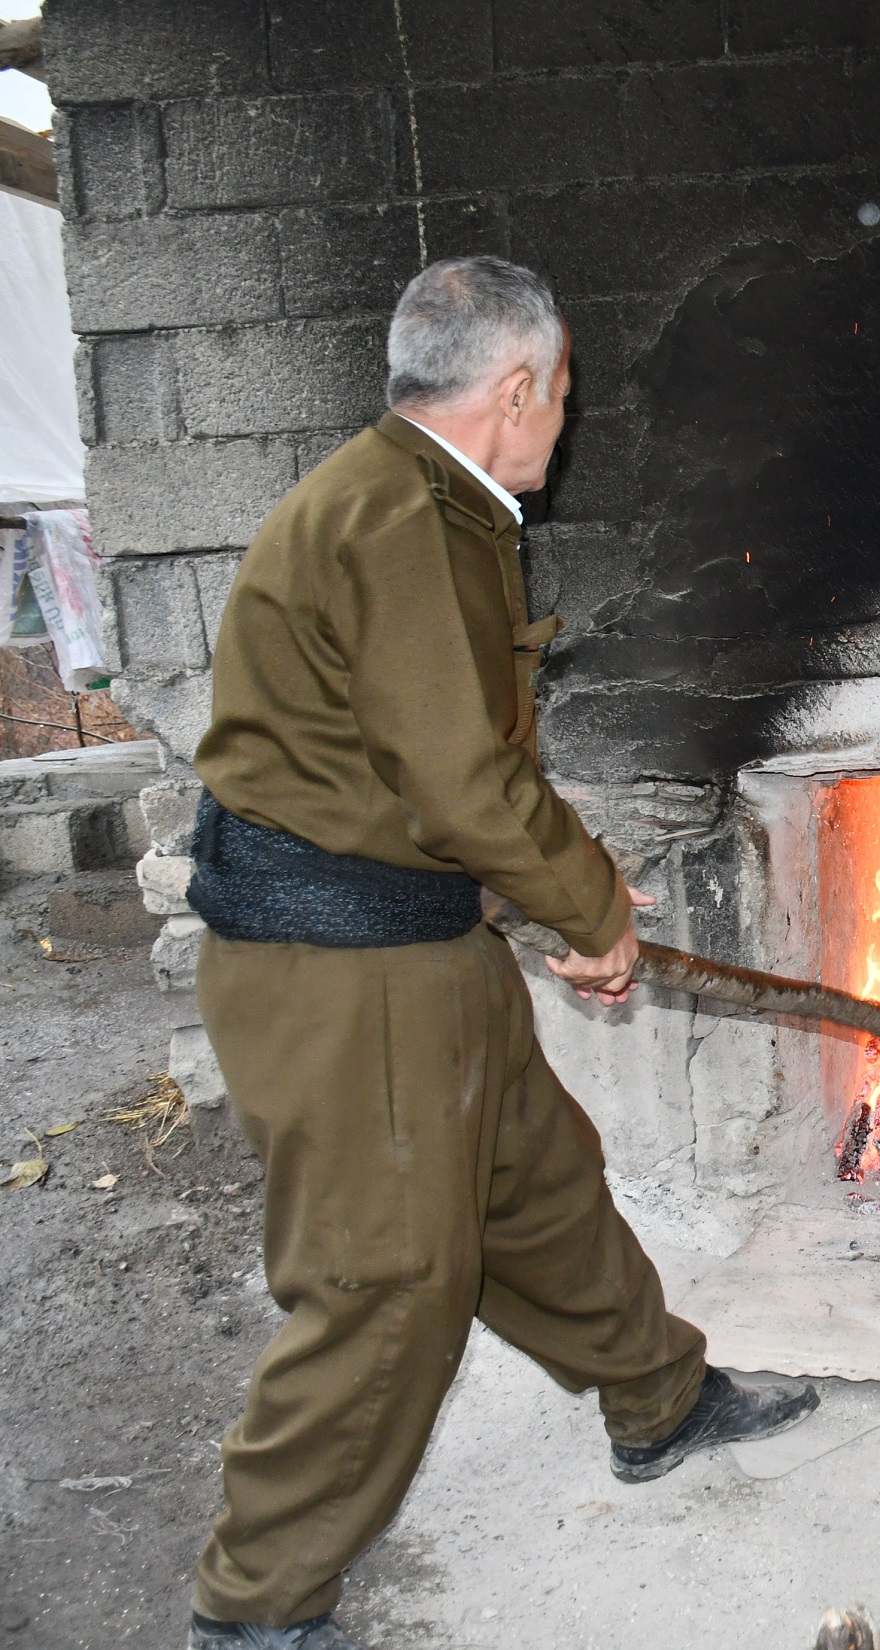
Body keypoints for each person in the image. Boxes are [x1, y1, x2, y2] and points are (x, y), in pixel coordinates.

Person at [179, 257, 818, 1650]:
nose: (566, 422)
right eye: (565, 393)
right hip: (342, 969)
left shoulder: (421, 500)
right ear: (513, 386)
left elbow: (440, 776)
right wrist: (592, 907)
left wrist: (547, 905)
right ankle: (253, 1605)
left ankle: (658, 1399)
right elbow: (461, 782)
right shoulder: (402, 518)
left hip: (414, 934)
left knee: (533, 1178)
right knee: (385, 1280)